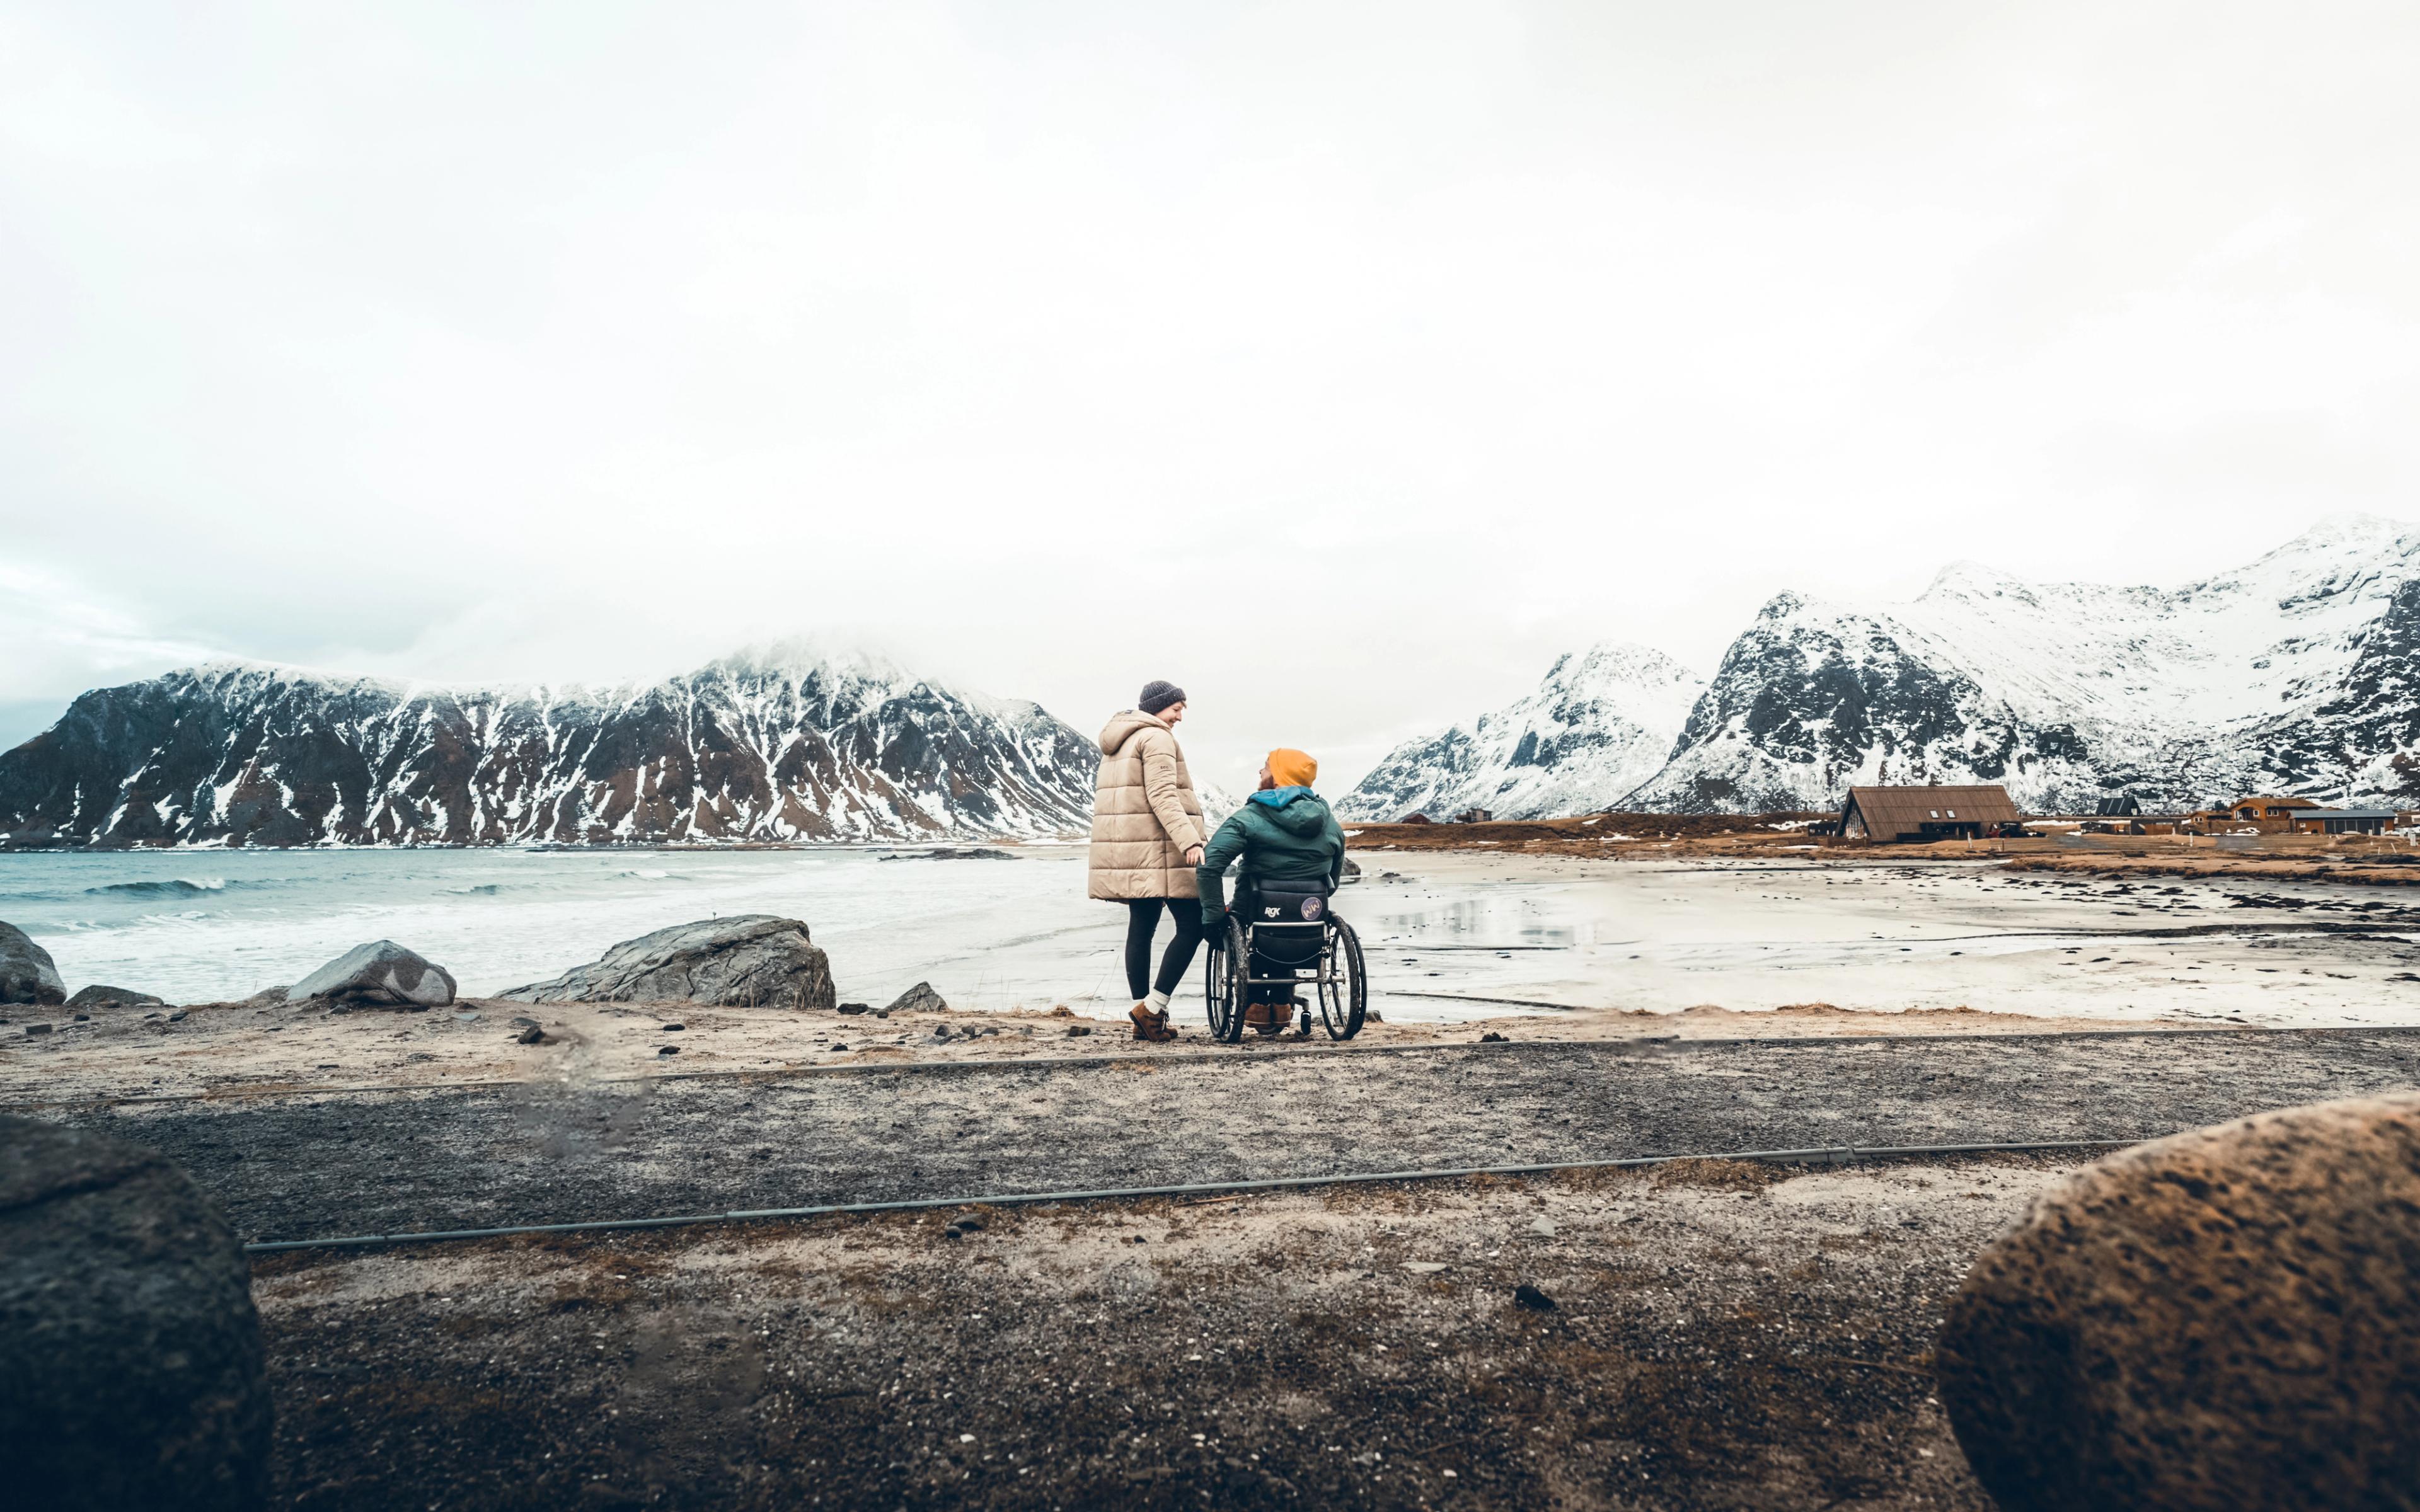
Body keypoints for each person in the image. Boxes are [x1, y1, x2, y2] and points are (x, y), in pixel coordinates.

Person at [1088, 680, 1208, 1041]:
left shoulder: (1119, 741)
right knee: (1194, 925)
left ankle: (1143, 1015)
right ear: (1158, 707)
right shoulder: (1156, 738)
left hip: (1132, 851)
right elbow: (1162, 795)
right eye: (1176, 708)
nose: (1180, 716)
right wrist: (1189, 839)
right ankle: (1153, 1009)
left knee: (1141, 927)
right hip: (1159, 850)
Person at [1197, 747, 1347, 1035]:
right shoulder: (1330, 824)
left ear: (1278, 777)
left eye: (1266, 767)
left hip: (1255, 916)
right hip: (1309, 923)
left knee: (1241, 920)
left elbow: (1209, 867)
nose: (1260, 772)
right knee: (1288, 917)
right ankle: (1281, 1003)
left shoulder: (1250, 817)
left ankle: (1255, 1004)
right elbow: (1333, 882)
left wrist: (1213, 918)